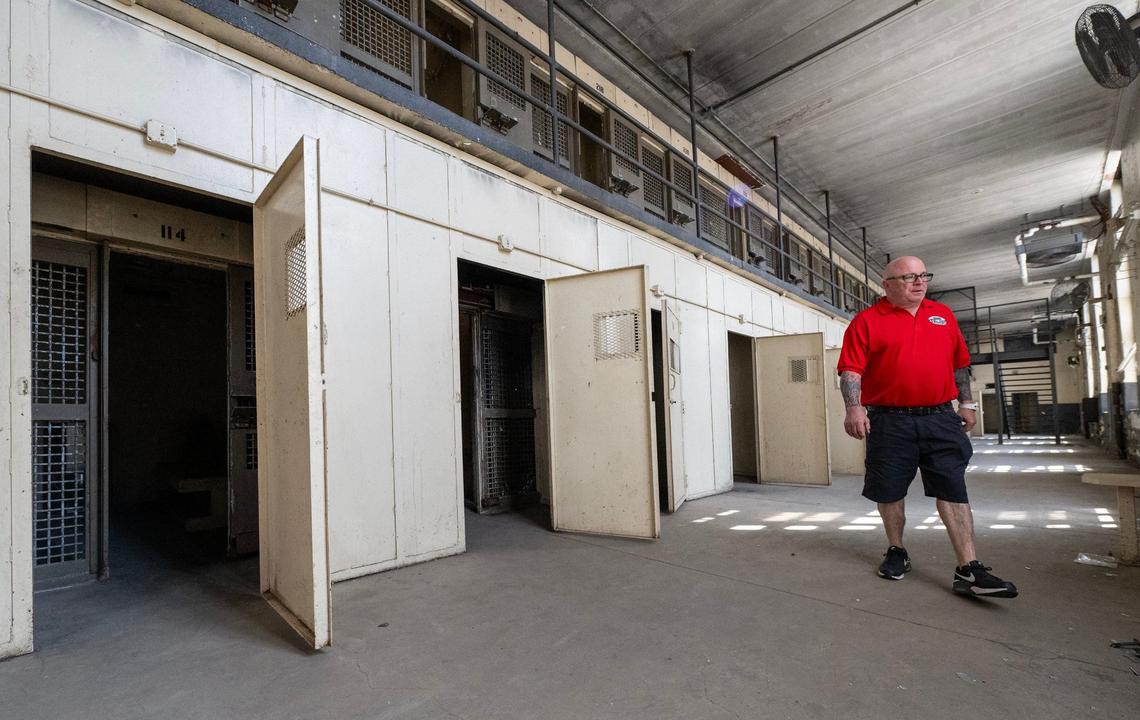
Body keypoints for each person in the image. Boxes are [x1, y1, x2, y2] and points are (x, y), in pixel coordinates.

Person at [836, 256, 1017, 598]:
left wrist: (967, 403)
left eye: (923, 276)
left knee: (953, 487)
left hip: (940, 417)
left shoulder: (943, 315)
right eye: (908, 277)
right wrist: (854, 407)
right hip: (890, 421)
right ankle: (896, 550)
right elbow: (851, 370)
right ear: (887, 285)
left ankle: (969, 568)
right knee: (889, 489)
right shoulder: (866, 321)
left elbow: (959, 363)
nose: (919, 282)